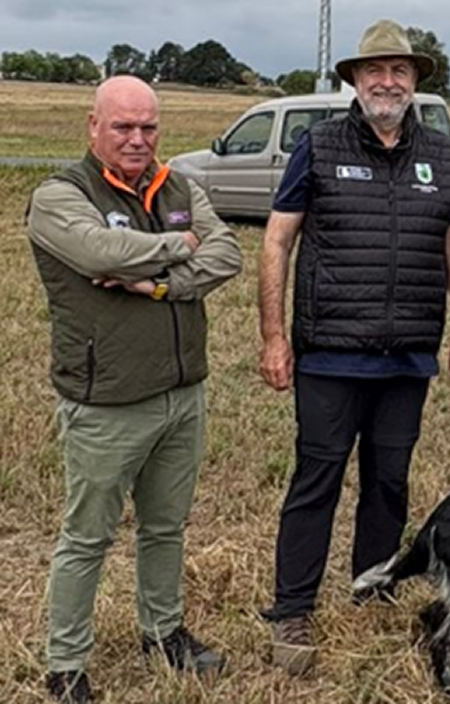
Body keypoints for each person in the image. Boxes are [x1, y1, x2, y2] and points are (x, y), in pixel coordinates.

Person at [257, 19, 450, 675]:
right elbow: (276, 240)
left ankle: (371, 586)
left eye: (400, 71)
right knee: (316, 480)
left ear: (414, 82)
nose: (387, 81)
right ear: (354, 79)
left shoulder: (440, 153)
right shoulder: (318, 146)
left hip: (407, 355)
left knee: (388, 482)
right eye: (374, 70)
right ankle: (291, 609)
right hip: (328, 353)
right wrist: (273, 335)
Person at [26, 75, 242, 704]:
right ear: (92, 126)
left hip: (181, 392)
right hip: (106, 401)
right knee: (87, 536)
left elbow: (225, 255)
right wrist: (180, 246)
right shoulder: (59, 195)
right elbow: (99, 254)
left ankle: (163, 631)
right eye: (123, 126)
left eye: (148, 126)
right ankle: (65, 665)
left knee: (165, 527)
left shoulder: (178, 184)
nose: (138, 139)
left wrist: (158, 282)